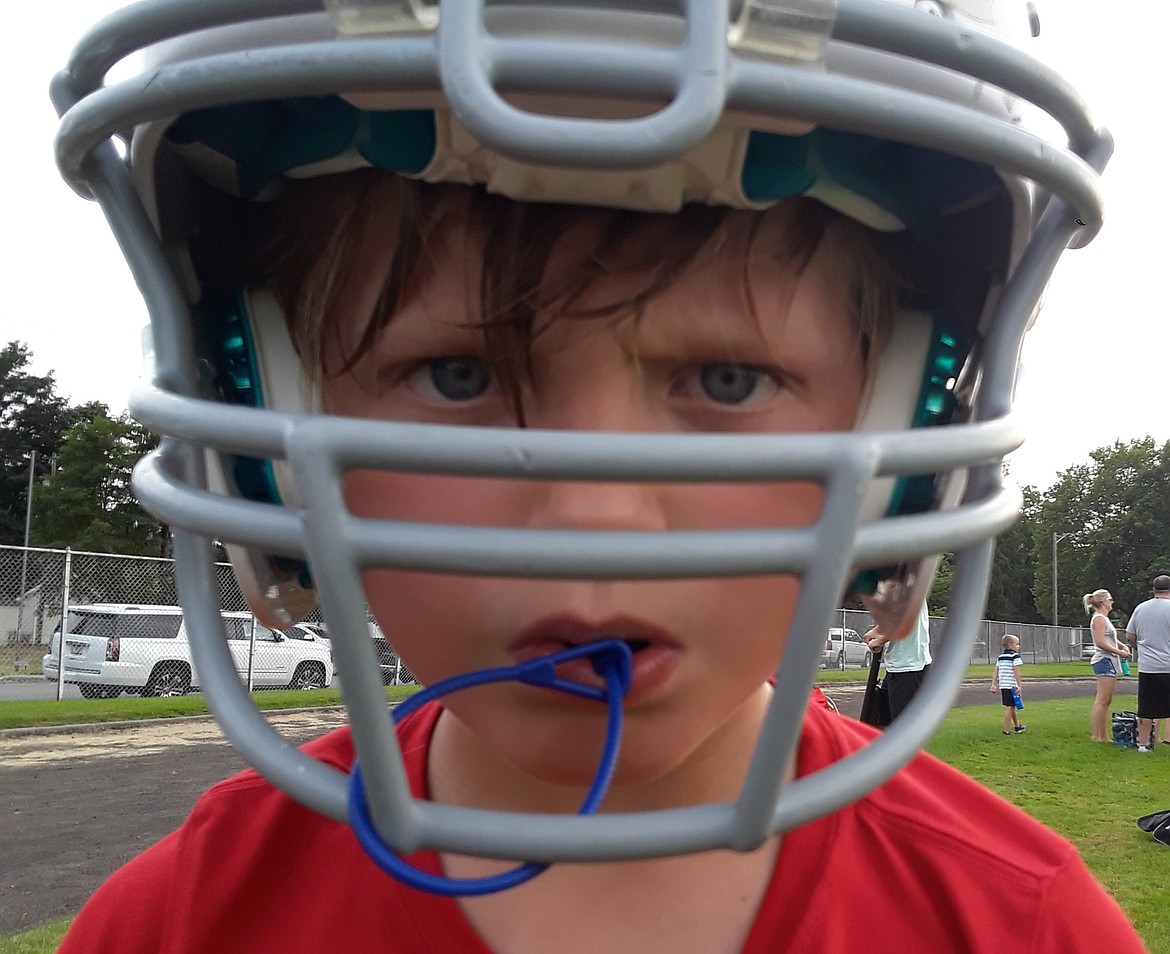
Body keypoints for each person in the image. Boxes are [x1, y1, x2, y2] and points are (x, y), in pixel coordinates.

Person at [51, 2, 1143, 951]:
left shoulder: (1022, 925)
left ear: (903, 427)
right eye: (454, 372)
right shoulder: (172, 927)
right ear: (263, 426)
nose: (592, 514)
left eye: (726, 378)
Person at [862, 601, 932, 722]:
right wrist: (877, 630)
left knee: (902, 724)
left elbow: (905, 621)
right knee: (882, 718)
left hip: (908, 668)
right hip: (899, 667)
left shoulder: (910, 585)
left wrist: (880, 640)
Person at [1125, 575, 1170, 753]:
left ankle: (1143, 745)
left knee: (1146, 707)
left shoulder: (1141, 608)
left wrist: (1141, 646)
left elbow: (1130, 636)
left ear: (1154, 589)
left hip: (1148, 666)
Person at [1084, 589, 1132, 742]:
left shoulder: (1104, 618)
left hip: (1109, 660)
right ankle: (1096, 735)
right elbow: (1100, 642)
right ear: (1104, 601)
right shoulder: (1099, 619)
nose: (1112, 602)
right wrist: (1119, 652)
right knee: (1102, 700)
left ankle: (1103, 735)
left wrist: (1121, 645)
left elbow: (1109, 638)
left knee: (1106, 701)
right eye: (1110, 599)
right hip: (1104, 660)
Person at [990, 633, 1027, 735]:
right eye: (1017, 644)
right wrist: (1019, 685)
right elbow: (1016, 671)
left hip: (1003, 685)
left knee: (1012, 705)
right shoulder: (1014, 656)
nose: (1018, 646)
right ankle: (1006, 730)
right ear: (1010, 645)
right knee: (1009, 707)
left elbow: (996, 670)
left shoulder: (1001, 657)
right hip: (1011, 685)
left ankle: (1017, 726)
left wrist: (993, 684)